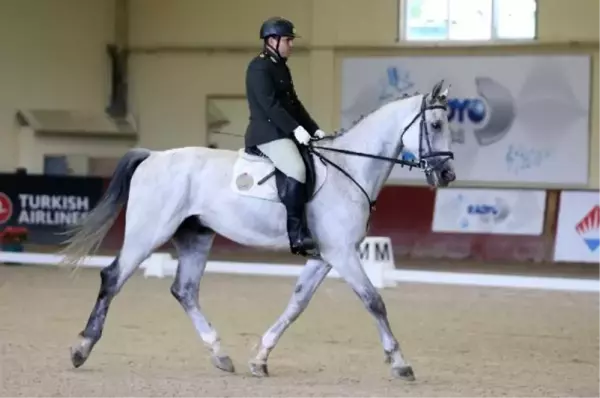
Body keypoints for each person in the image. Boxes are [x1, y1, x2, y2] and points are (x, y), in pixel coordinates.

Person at [244, 16, 327, 256]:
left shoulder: (280, 66)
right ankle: (297, 234)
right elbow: (270, 106)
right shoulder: (259, 67)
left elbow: (293, 103)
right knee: (297, 169)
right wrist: (294, 129)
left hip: (284, 131)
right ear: (272, 40)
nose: (291, 44)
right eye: (288, 40)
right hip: (267, 134)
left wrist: (313, 128)